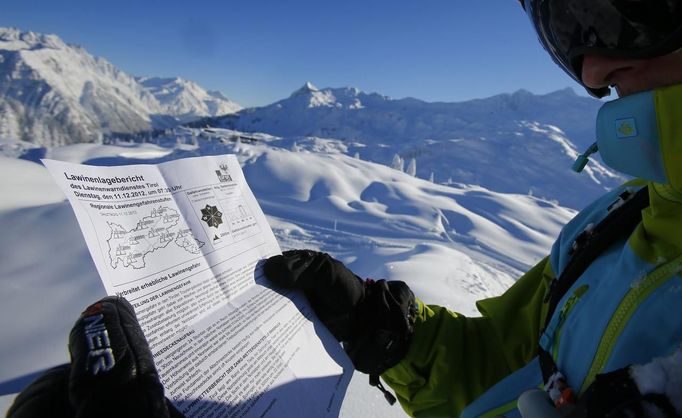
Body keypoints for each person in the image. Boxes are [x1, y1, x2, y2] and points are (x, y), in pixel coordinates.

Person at [9, 1, 682, 417]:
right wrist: (383, 330)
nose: (590, 67)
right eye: (562, 21)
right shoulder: (613, 227)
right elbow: (502, 362)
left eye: (624, 9)